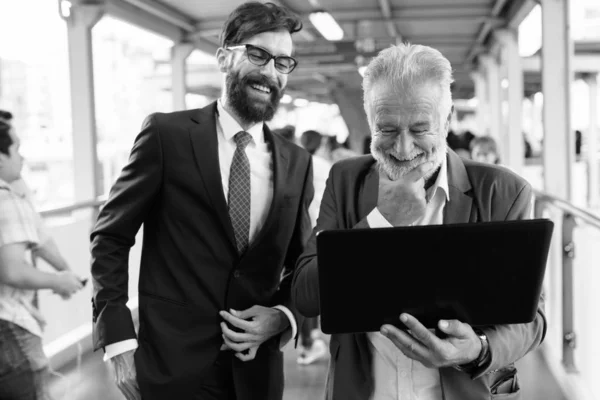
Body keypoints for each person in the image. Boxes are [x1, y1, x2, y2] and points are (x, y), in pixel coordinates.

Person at [292, 43, 546, 400]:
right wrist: (381, 221)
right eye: (388, 130)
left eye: (421, 129)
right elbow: (305, 295)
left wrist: (478, 348)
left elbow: (532, 317)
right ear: (369, 121)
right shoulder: (345, 181)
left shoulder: (502, 192)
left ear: (448, 119)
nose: (403, 148)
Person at [90, 2, 313, 400]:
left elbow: (303, 264)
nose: (270, 71)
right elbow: (110, 236)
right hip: (171, 368)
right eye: (258, 54)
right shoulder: (166, 136)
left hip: (256, 373)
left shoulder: (297, 162)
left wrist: (283, 318)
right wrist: (119, 341)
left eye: (283, 62)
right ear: (225, 57)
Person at [0, 121, 84, 399]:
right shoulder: (7, 199)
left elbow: (39, 238)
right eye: (17, 148)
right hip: (10, 337)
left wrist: (65, 275)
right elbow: (12, 270)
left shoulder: (16, 194)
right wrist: (59, 280)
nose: (22, 157)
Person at [296, 129, 331, 365]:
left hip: (299, 228)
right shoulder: (325, 165)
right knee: (316, 283)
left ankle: (308, 339)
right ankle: (311, 339)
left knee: (301, 281)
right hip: (320, 230)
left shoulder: (297, 162)